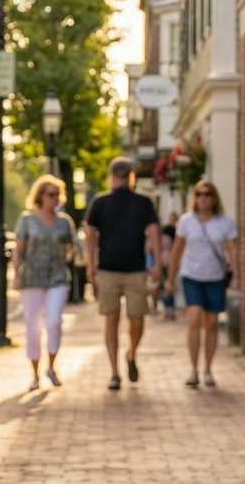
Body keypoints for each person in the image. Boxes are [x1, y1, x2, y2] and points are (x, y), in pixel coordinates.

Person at [84, 157, 160, 392]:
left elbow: (154, 232)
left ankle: (131, 354)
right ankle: (114, 372)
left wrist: (156, 263)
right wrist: (91, 265)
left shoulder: (143, 202)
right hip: (108, 270)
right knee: (112, 320)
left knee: (137, 319)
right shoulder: (100, 202)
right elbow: (90, 233)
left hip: (136, 270)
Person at [166, 179, 238, 388]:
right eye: (199, 194)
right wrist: (170, 279)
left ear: (214, 198)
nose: (203, 198)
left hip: (215, 277)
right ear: (194, 198)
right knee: (194, 318)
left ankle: (208, 370)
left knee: (212, 323)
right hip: (191, 276)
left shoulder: (224, 223)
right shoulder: (186, 221)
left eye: (207, 194)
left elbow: (232, 250)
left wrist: (237, 275)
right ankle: (193, 370)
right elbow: (177, 250)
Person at [14, 174, 77, 391]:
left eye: (58, 194)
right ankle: (34, 374)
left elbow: (73, 248)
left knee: (53, 322)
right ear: (40, 196)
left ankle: (51, 366)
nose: (55, 198)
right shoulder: (27, 220)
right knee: (33, 328)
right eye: (51, 194)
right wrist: (16, 274)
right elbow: (19, 250)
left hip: (58, 278)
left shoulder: (64, 222)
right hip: (32, 278)